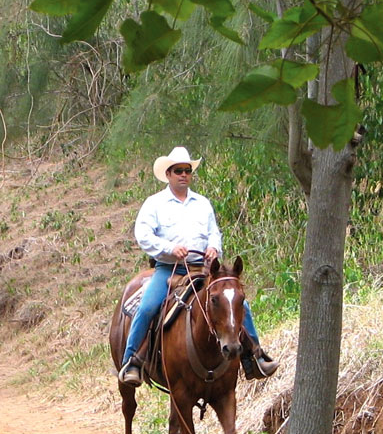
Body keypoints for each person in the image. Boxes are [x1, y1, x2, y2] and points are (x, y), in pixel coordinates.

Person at [118, 146, 279, 385]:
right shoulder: (155, 204)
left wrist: (214, 248)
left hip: (203, 271)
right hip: (168, 269)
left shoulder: (202, 204)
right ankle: (131, 361)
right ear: (169, 174)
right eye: (178, 170)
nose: (183, 174)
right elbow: (143, 235)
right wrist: (169, 248)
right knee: (148, 307)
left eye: (187, 170)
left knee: (239, 303)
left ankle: (254, 357)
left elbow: (214, 232)